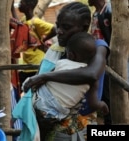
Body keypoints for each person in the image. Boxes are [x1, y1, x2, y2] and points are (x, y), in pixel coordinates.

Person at [15, 2, 110, 141]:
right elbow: (37, 88)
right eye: (58, 25)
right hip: (47, 123)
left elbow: (91, 74)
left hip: (81, 127)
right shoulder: (56, 50)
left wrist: (45, 77)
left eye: (66, 27)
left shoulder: (97, 47)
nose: (59, 31)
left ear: (84, 27)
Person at [33, 32, 109, 122]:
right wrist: (103, 105)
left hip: (39, 101)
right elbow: (94, 104)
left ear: (70, 54)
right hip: (56, 112)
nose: (60, 31)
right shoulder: (91, 80)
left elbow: (44, 82)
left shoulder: (61, 63)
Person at [16, 0, 56, 93]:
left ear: (29, 6)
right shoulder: (23, 20)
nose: (20, 4)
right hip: (26, 64)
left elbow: (55, 29)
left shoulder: (36, 22)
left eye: (23, 2)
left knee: (33, 92)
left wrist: (43, 40)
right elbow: (18, 26)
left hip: (36, 64)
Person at [88, 0, 112, 125]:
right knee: (103, 93)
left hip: (109, 59)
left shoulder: (109, 10)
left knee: (110, 93)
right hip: (99, 59)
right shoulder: (95, 13)